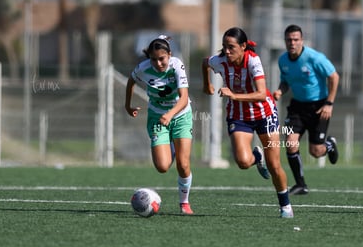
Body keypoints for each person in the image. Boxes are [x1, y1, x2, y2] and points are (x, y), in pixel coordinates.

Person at [202, 27, 293, 218]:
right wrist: (207, 84)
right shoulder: (219, 61)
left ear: (243, 46)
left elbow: (261, 94)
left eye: (231, 47)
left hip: (265, 114)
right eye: (224, 47)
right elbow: (205, 63)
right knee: (243, 162)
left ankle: (285, 206)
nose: (227, 51)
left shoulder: (253, 60)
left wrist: (233, 94)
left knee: (274, 165)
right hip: (239, 116)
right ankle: (256, 158)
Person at [125, 35, 194, 214]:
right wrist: (127, 105)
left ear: (169, 55)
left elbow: (184, 98)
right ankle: (170, 144)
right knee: (162, 166)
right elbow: (131, 80)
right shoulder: (143, 68)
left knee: (183, 164)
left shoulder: (177, 65)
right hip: (157, 117)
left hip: (180, 116)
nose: (158, 63)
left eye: (162, 58)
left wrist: (170, 115)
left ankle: (184, 203)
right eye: (154, 59)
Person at [273, 24, 340, 195]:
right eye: (289, 40)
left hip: (319, 107)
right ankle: (301, 184)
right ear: (285, 41)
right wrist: (280, 90)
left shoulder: (315, 58)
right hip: (297, 107)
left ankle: (329, 145)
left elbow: (334, 76)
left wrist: (329, 103)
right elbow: (286, 81)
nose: (292, 43)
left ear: (302, 40)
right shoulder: (283, 60)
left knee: (316, 152)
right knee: (290, 142)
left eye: (296, 39)